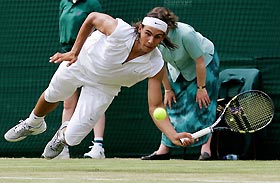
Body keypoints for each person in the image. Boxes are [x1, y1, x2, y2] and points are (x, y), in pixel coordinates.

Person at [4, 9, 194, 159]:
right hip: (80, 64)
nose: (151, 40)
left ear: (163, 38)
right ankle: (33, 123)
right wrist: (74, 51)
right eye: (148, 34)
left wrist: (172, 134)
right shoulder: (119, 30)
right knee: (54, 94)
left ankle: (62, 135)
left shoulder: (155, 64)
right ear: (140, 29)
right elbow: (93, 18)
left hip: (104, 88)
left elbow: (156, 106)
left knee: (74, 138)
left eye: (158, 37)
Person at [141, 7, 220, 161]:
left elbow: (199, 61)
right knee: (170, 104)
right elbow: (160, 65)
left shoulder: (185, 34)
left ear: (168, 26)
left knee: (203, 103)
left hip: (204, 64)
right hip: (177, 68)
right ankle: (163, 150)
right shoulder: (153, 39)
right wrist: (168, 89)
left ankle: (206, 150)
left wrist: (201, 88)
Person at [56, 0, 105, 159]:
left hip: (90, 55)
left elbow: (102, 30)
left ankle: (98, 147)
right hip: (67, 55)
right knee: (68, 103)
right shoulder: (64, 3)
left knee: (95, 102)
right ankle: (62, 147)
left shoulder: (92, 4)